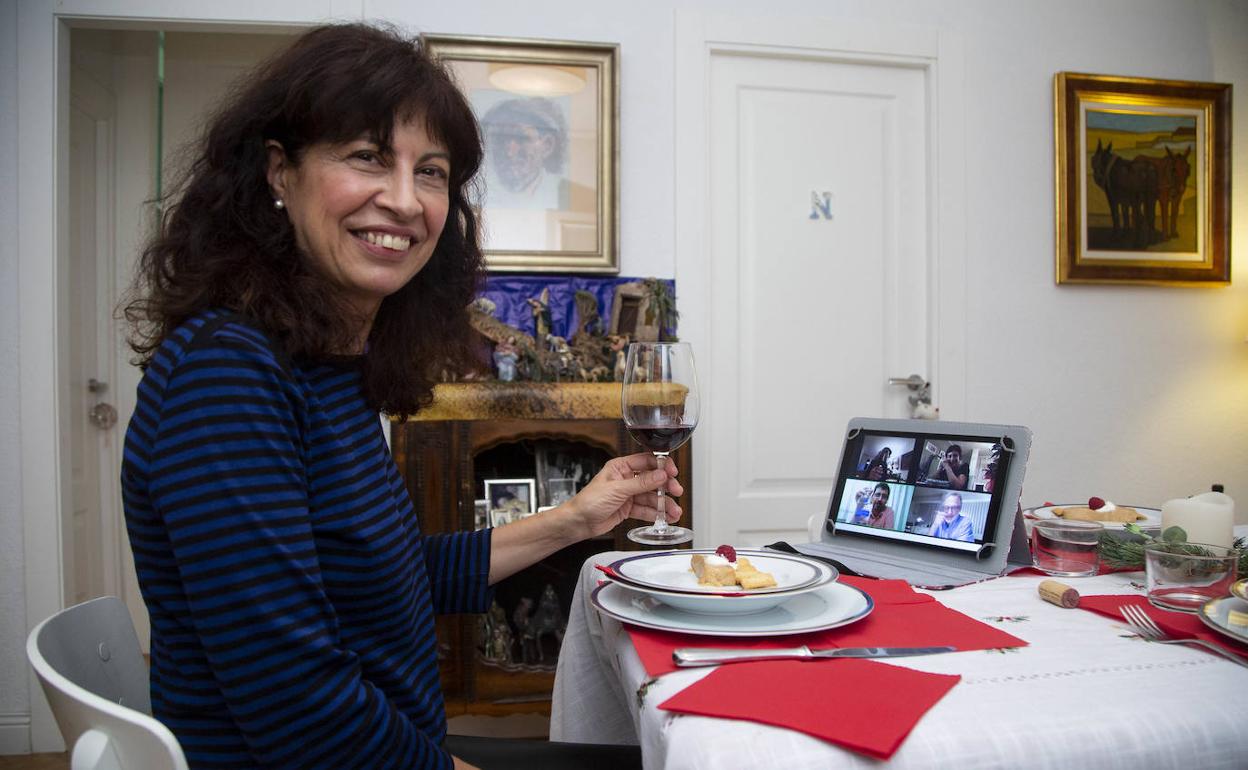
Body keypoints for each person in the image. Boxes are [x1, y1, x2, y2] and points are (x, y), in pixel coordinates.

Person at [120, 23, 675, 770]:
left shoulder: (321, 366)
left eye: (432, 172)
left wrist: (578, 517)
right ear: (279, 172)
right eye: (366, 158)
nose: (405, 201)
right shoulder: (228, 377)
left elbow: (387, 573)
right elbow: (300, 716)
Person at [480, 96, 568, 208]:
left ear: (547, 146)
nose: (509, 153)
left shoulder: (560, 192)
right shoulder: (482, 192)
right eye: (499, 139)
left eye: (522, 138)